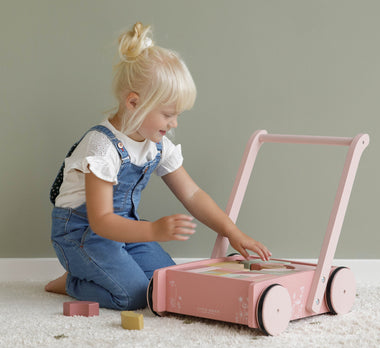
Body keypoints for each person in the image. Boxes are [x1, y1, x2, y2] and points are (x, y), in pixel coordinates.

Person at [45, 22, 271, 310]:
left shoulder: (157, 143)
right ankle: (73, 281)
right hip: (82, 235)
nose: (174, 123)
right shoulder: (101, 147)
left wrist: (233, 232)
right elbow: (101, 220)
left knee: (167, 283)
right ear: (134, 103)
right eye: (168, 114)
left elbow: (192, 194)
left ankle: (99, 272)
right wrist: (153, 232)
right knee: (135, 296)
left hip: (125, 231)